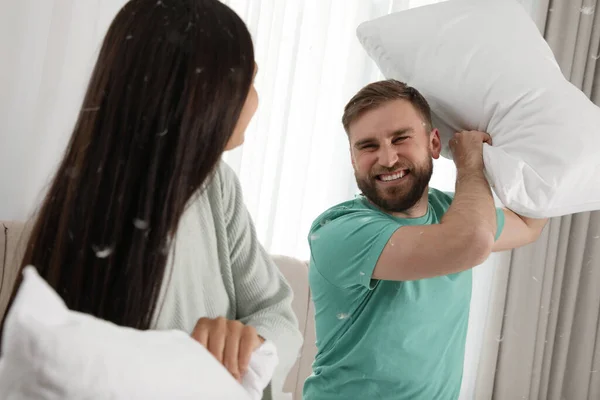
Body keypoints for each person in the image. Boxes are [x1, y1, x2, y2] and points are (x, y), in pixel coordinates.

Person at [0, 0, 301, 395]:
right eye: (251, 80)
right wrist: (189, 356)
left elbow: (278, 314)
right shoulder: (92, 213)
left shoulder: (218, 185)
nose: (256, 100)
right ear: (206, 93)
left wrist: (249, 345)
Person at [303, 79, 548, 400]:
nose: (388, 159)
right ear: (352, 158)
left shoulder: (453, 212)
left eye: (400, 138)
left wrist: (530, 135)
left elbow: (529, 225)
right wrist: (470, 163)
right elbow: (469, 242)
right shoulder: (339, 230)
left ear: (434, 144)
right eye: (368, 146)